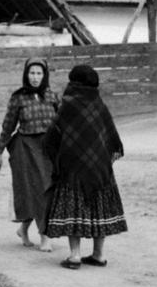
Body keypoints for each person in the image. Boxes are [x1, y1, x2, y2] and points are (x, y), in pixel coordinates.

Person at [43, 64, 126, 270]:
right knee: (99, 209)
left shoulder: (68, 105)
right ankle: (98, 255)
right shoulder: (100, 106)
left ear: (74, 83)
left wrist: (55, 156)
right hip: (99, 168)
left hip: (73, 168)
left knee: (75, 210)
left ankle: (75, 256)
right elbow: (111, 138)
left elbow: (52, 137)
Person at [0, 58, 56, 250]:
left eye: (39, 73)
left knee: (48, 189)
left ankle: (24, 229)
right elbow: (8, 126)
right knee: (32, 191)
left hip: (48, 149)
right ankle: (44, 236)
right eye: (32, 73)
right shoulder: (18, 98)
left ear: (44, 75)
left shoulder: (52, 96)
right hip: (25, 149)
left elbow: (62, 124)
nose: (35, 77)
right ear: (26, 75)